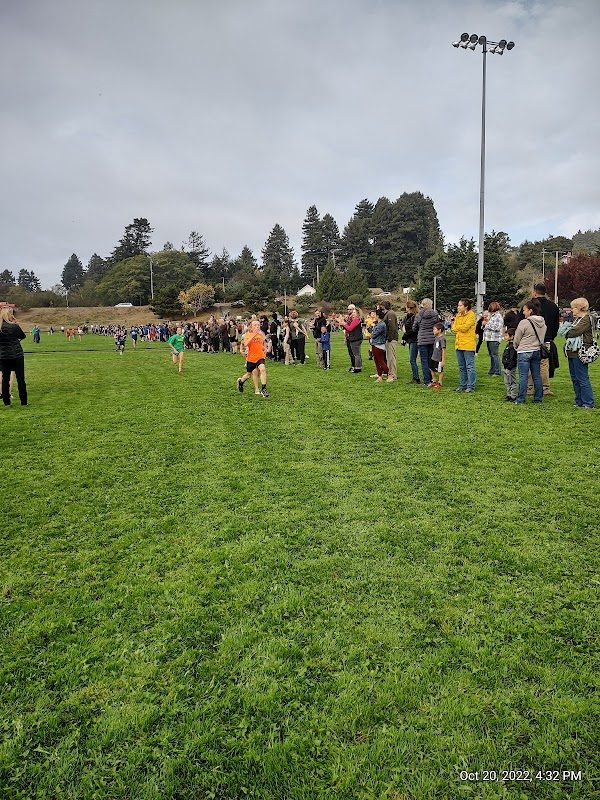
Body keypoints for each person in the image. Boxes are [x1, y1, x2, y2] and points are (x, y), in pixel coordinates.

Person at [563, 297, 595, 409]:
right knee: (575, 378)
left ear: (580, 308)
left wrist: (567, 331)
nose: (572, 310)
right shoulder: (577, 319)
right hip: (572, 351)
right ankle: (579, 401)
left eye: (573, 308)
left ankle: (588, 402)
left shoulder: (586, 319)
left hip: (581, 352)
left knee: (582, 377)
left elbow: (573, 332)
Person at [513, 299, 547, 404]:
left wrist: (516, 346)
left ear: (530, 310)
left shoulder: (524, 322)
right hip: (536, 350)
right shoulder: (542, 322)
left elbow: (517, 337)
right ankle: (538, 398)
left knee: (523, 376)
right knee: (536, 375)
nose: (523, 312)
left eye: (525, 310)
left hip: (524, 351)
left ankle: (521, 399)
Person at [530, 283, 560, 395]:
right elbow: (556, 325)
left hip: (531, 339)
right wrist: (551, 337)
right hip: (547, 339)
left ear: (534, 292)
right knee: (543, 364)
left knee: (530, 363)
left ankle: (530, 387)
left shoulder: (530, 305)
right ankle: (545, 388)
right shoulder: (553, 307)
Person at [0, 306, 27, 406]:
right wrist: (16, 323)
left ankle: (6, 402)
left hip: (3, 356)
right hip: (17, 354)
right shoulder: (14, 326)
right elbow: (22, 336)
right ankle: (23, 401)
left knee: (5, 379)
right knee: (20, 378)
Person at [237, 319, 270, 398]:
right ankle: (241, 382)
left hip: (260, 356)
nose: (257, 326)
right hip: (251, 358)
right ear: (251, 327)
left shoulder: (261, 334)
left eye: (258, 325)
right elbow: (246, 344)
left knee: (262, 369)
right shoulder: (247, 335)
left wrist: (265, 348)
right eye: (255, 325)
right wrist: (253, 335)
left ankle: (264, 389)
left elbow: (263, 343)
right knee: (248, 374)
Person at [451, 299, 477, 392]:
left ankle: (470, 386)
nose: (458, 307)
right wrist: (458, 327)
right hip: (459, 344)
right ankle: (462, 385)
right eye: (458, 305)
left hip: (468, 344)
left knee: (470, 366)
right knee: (462, 367)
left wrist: (457, 327)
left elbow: (465, 328)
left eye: (460, 305)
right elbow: (453, 328)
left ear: (466, 306)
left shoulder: (471, 315)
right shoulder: (458, 315)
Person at [413, 298, 439, 387]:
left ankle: (427, 381)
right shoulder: (435, 314)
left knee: (424, 361)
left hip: (422, 339)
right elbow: (438, 325)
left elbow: (414, 328)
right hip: (432, 339)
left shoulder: (419, 315)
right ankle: (433, 379)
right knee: (431, 360)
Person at [338, 305, 363, 373]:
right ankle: (358, 367)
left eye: (354, 312)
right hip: (356, 338)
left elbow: (350, 328)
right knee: (357, 354)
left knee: (356, 354)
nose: (352, 314)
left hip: (355, 339)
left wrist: (343, 323)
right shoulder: (355, 320)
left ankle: (357, 368)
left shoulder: (356, 320)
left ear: (358, 314)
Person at [482, 301, 504, 376]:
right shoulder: (492, 316)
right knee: (491, 355)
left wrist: (487, 324)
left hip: (494, 339)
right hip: (489, 338)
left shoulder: (498, 316)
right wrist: (484, 324)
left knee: (495, 355)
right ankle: (492, 370)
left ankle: (497, 371)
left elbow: (497, 327)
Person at [401, 300, 420, 384]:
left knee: (413, 359)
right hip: (411, 339)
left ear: (408, 307)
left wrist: (405, 336)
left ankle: (416, 378)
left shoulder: (415, 317)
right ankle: (415, 377)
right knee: (412, 359)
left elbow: (413, 329)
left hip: (414, 340)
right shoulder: (409, 316)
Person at [369, 307, 389, 382]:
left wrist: (371, 332)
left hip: (379, 345)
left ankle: (389, 375)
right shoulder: (378, 324)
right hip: (375, 344)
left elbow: (374, 334)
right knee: (377, 361)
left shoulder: (381, 325)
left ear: (378, 316)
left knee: (381, 361)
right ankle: (379, 376)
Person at [382, 300, 398, 383]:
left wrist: (389, 338)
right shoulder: (388, 313)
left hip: (391, 339)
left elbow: (392, 327)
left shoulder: (390, 313)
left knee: (391, 357)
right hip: (389, 338)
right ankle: (390, 373)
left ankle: (393, 374)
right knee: (389, 357)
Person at [501, 328, 518, 402]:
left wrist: (509, 367)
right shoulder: (508, 345)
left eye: (507, 335)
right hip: (505, 367)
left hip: (510, 368)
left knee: (512, 381)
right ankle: (508, 395)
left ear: (512, 336)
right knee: (507, 382)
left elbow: (513, 358)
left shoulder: (513, 346)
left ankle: (513, 396)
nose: (505, 337)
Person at [429, 322, 446, 389]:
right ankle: (434, 381)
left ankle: (440, 383)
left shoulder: (442, 339)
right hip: (433, 357)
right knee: (431, 368)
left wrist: (443, 360)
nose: (433, 331)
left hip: (439, 359)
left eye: (434, 329)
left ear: (439, 330)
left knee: (439, 371)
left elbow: (443, 350)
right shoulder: (436, 338)